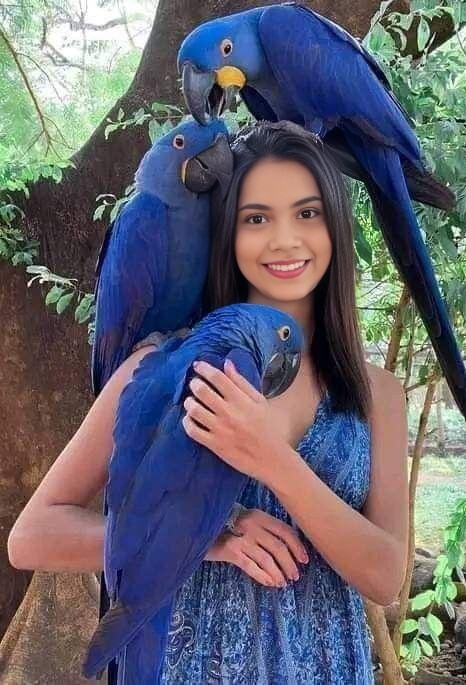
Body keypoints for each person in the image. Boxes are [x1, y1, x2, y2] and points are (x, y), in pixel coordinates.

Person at [7, 119, 409, 684]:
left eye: (307, 213)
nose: (284, 239)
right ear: (228, 231)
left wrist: (271, 458)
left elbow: (386, 579)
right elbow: (31, 538)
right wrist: (210, 539)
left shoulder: (376, 394)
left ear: (335, 229)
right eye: (256, 218)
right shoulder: (159, 370)